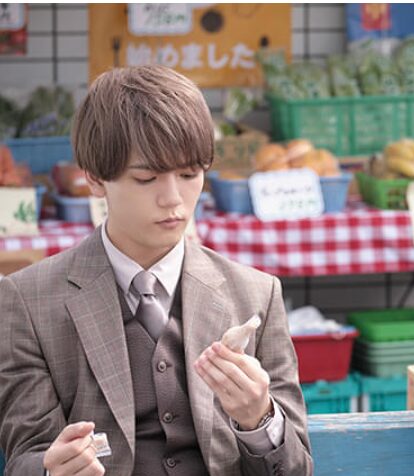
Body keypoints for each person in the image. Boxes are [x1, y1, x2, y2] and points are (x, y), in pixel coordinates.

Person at [0, 65, 312, 475]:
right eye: (146, 178)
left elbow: (297, 468)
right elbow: (25, 453)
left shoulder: (256, 294)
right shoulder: (28, 301)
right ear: (94, 179)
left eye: (189, 174)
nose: (173, 199)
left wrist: (259, 420)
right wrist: (51, 468)